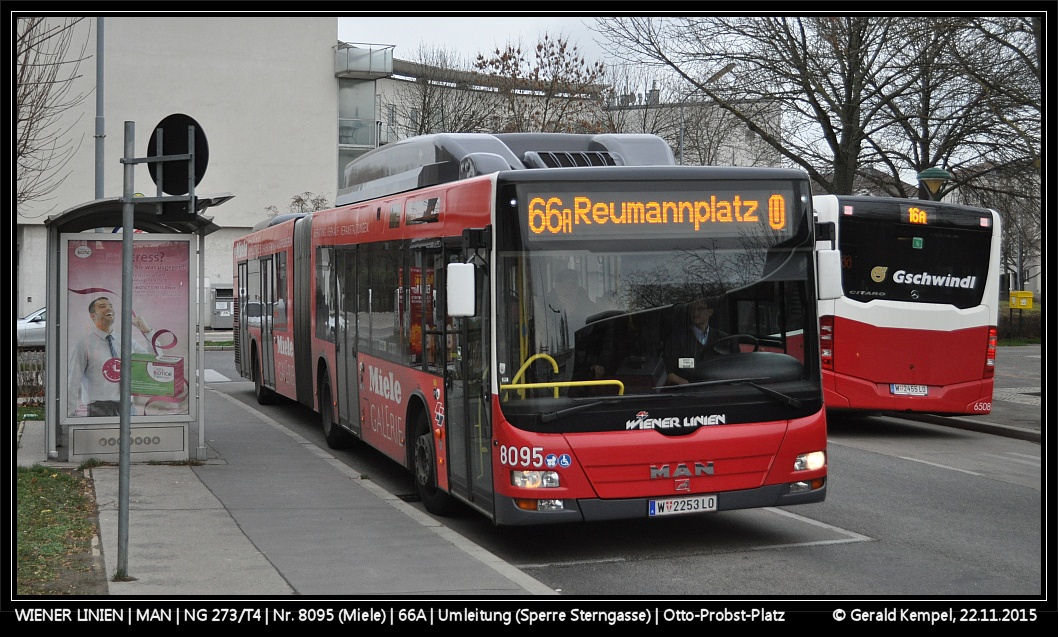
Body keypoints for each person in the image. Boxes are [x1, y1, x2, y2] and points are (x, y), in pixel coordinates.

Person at [67, 296, 152, 417]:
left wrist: (147, 332)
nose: (109, 308)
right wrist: (69, 414)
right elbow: (73, 380)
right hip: (99, 409)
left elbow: (154, 362)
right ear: (93, 315)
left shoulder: (126, 341)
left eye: (110, 306)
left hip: (128, 407)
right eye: (102, 306)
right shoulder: (84, 344)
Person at [663, 297, 727, 385]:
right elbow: (667, 371)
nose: (695, 313)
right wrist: (682, 382)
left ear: (710, 312)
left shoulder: (723, 338)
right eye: (692, 309)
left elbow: (733, 367)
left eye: (700, 309)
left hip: (718, 389)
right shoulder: (676, 339)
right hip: (689, 390)